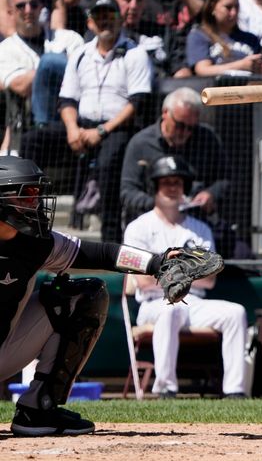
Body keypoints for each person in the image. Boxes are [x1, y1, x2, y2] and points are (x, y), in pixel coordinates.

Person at [0, 155, 196, 436]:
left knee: (84, 295)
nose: (36, 204)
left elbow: (103, 254)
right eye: (26, 195)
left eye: (37, 195)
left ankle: (37, 410)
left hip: (4, 349)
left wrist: (158, 263)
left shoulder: (36, 245)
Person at [123, 155, 248, 399]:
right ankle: (166, 388)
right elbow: (144, 280)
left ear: (185, 188)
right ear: (155, 186)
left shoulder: (199, 229)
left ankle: (235, 391)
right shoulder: (139, 227)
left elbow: (210, 278)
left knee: (235, 312)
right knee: (171, 310)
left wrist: (167, 273)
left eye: (177, 182)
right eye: (166, 182)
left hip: (195, 302)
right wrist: (188, 272)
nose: (172, 188)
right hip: (154, 303)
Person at [58, 0, 153, 243]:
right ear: (90, 23)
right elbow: (67, 100)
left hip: (119, 128)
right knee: (37, 141)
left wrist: (101, 131)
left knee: (108, 163)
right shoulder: (80, 54)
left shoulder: (135, 53)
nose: (104, 21)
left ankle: (110, 238)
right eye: (98, 16)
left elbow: (137, 102)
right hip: (81, 127)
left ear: (119, 20)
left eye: (109, 15)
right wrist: (71, 130)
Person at [120, 87, 231, 251]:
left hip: (197, 224)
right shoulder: (141, 143)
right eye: (180, 125)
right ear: (165, 113)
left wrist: (211, 194)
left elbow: (225, 179)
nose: (185, 132)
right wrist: (162, 204)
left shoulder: (208, 139)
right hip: (151, 224)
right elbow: (127, 192)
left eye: (191, 128)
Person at [0, 0, 83, 152]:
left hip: (74, 116)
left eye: (33, 4)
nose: (28, 10)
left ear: (41, 8)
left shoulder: (69, 38)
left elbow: (85, 74)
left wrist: (43, 70)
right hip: (29, 125)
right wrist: (53, 66)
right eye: (21, 6)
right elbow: (20, 86)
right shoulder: (5, 49)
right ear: (10, 12)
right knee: (49, 61)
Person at [112, 0, 190, 79]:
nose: (134, 6)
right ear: (115, 1)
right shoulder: (107, 35)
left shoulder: (162, 32)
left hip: (160, 90)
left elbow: (181, 68)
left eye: (139, 0)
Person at [186, 0, 262, 76]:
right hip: (215, 88)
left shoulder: (250, 39)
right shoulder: (199, 36)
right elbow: (203, 70)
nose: (233, 13)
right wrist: (240, 65)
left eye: (236, 7)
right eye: (228, 7)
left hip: (248, 88)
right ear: (212, 7)